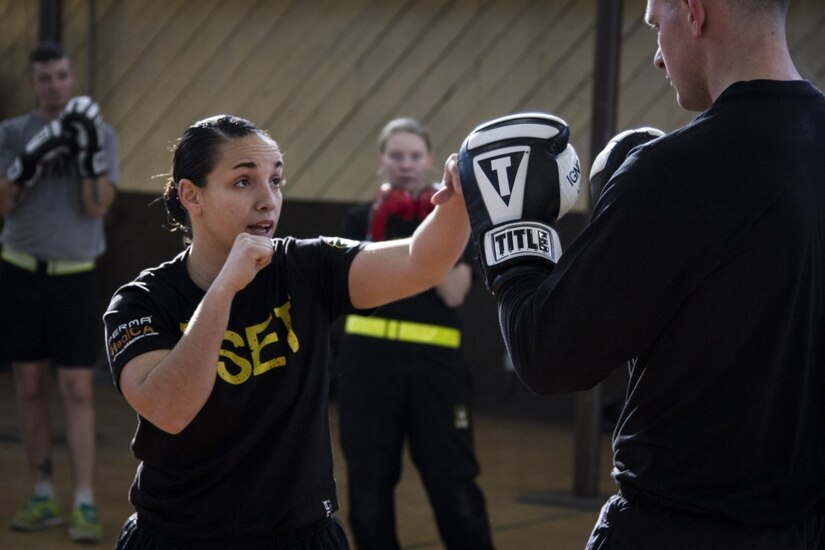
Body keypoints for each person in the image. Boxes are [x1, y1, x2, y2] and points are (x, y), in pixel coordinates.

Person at [456, 0, 825, 548]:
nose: (656, 56)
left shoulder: (679, 171)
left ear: (695, 13)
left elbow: (549, 355)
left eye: (657, 24)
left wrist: (514, 240)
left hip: (678, 528)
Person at [101, 114, 470, 549]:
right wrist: (225, 289)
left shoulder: (307, 267)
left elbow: (421, 261)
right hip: (179, 536)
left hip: (302, 535)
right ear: (191, 195)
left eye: (275, 181)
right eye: (243, 182)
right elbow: (170, 409)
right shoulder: (140, 301)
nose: (268, 201)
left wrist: (463, 197)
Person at [333, 118, 494, 550]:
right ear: (382, 161)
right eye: (397, 156)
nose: (406, 165)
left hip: (436, 375)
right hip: (367, 372)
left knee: (455, 484)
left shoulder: (453, 224)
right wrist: (379, 233)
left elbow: (455, 292)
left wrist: (433, 224)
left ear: (428, 160)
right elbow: (354, 295)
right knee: (368, 488)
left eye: (415, 156)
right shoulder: (358, 220)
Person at [0, 41, 119, 544]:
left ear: (72, 78)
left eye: (61, 76)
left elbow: (97, 207)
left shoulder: (101, 134)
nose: (54, 85)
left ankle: (85, 499)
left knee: (76, 388)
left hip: (74, 275)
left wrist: (88, 153)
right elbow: (5, 206)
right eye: (44, 78)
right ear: (35, 83)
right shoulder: (11, 133)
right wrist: (31, 158)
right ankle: (43, 490)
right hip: (20, 270)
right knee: (28, 386)